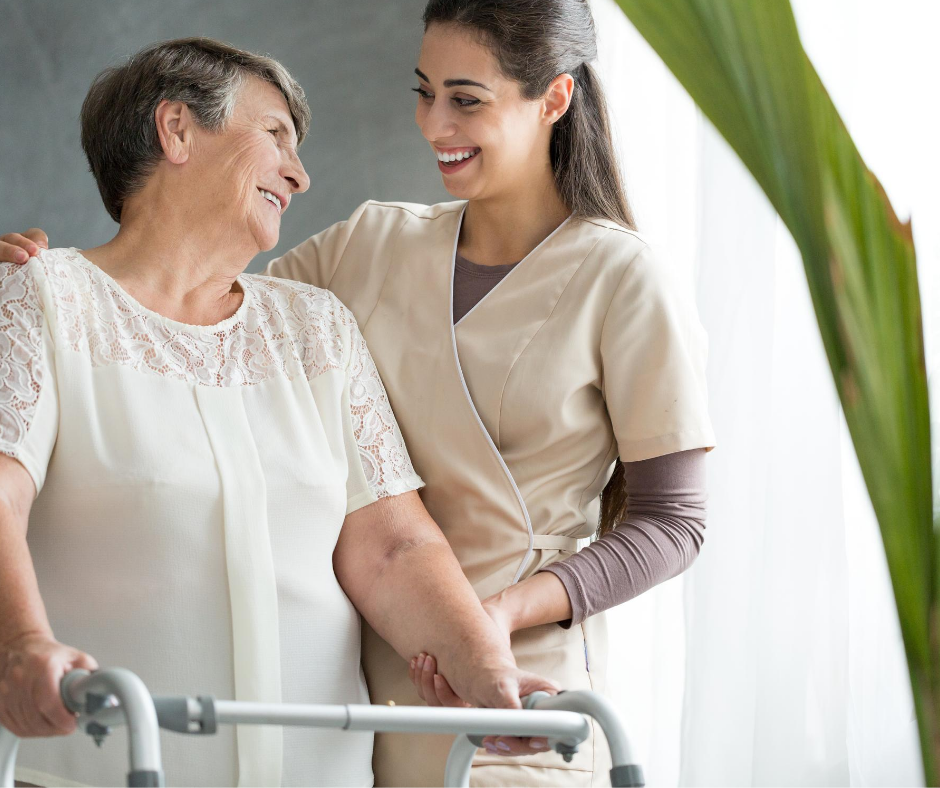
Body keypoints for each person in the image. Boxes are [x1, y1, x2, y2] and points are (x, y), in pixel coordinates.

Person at [2, 1, 717, 785]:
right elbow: (175, 320)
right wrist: (22, 646)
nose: (303, 174)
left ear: (553, 100)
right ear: (176, 131)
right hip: (216, 737)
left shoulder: (327, 322)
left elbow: (398, 542)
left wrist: (488, 652)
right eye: (275, 134)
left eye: (466, 98)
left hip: (459, 693)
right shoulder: (50, 299)